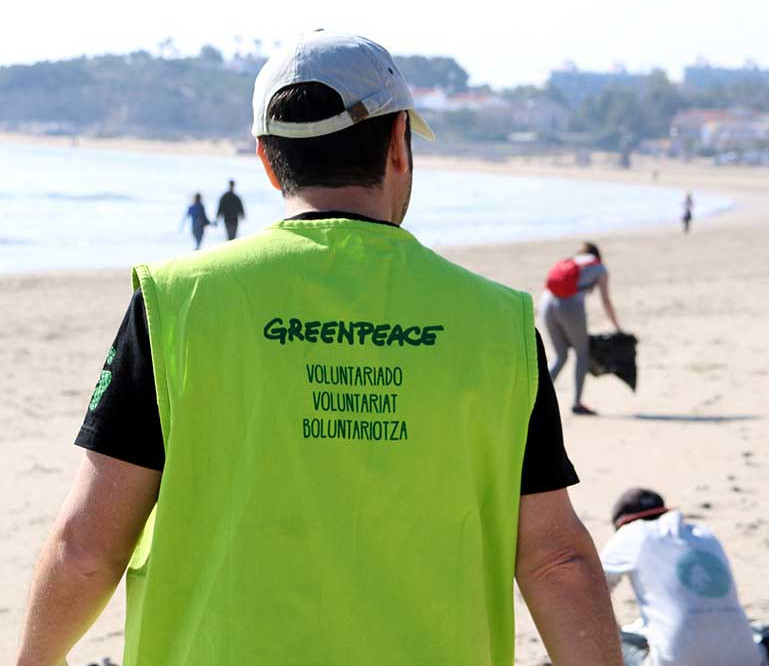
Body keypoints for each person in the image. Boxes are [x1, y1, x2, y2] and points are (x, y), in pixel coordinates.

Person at [17, 31, 622, 666]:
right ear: (397, 145)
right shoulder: (496, 322)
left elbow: (86, 548)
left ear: (267, 159)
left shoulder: (178, 303)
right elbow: (556, 559)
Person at [601, 489, 767, 666]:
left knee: (602, 639)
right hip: (748, 658)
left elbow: (591, 587)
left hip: (680, 661)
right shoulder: (705, 534)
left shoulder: (631, 533)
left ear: (621, 524)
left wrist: (613, 631)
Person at [540, 242, 622, 416]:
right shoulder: (599, 268)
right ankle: (577, 403)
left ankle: (535, 398)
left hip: (545, 304)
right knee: (582, 354)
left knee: (560, 356)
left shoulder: (570, 261)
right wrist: (617, 327)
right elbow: (606, 301)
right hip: (569, 307)